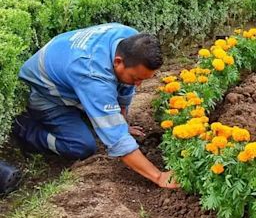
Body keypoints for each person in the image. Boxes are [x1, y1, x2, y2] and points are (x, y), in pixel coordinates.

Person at [13, 23, 179, 189]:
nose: (139, 86)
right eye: (136, 78)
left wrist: (122, 122)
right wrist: (158, 177)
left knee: (110, 108)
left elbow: (124, 89)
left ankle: (83, 116)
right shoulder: (92, 75)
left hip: (68, 77)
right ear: (118, 61)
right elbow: (117, 140)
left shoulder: (130, 40)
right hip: (46, 94)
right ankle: (25, 129)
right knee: (81, 146)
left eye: (143, 79)